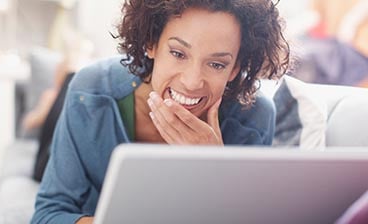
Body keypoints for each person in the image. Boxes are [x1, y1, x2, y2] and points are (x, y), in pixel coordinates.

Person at [31, 0, 289, 223]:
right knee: (63, 100)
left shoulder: (254, 117)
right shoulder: (91, 92)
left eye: (216, 64)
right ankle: (52, 98)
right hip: (81, 103)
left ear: (235, 69)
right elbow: (47, 216)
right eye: (178, 53)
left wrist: (214, 171)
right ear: (151, 43)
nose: (192, 81)